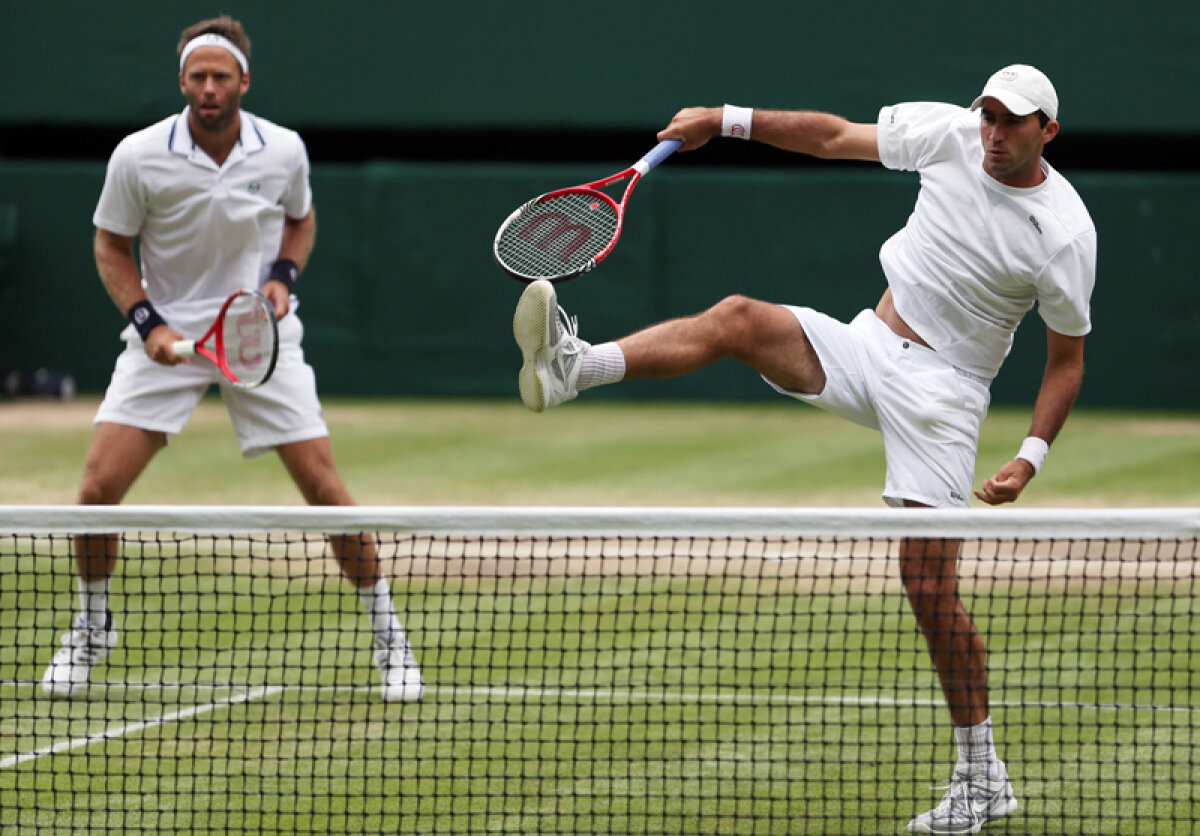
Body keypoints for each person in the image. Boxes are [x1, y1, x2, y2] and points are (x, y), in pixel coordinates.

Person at [513, 65, 1095, 834]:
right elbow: (831, 137)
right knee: (738, 319)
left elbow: (1066, 359)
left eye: (1013, 121)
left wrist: (1030, 454)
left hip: (945, 396)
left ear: (1047, 131)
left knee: (928, 587)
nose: (994, 132)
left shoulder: (1064, 233)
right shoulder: (950, 134)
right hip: (867, 345)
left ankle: (984, 778)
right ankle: (573, 369)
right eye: (988, 114)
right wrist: (724, 118)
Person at [41, 16, 423, 703]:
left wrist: (282, 279)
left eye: (221, 76)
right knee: (96, 491)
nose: (209, 88)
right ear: (182, 82)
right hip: (168, 337)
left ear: (244, 81)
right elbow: (110, 247)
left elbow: (300, 220)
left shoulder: (284, 150)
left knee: (325, 491)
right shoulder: (137, 156)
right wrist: (148, 324)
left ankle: (390, 637)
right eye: (198, 77)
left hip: (258, 336)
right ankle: (93, 627)